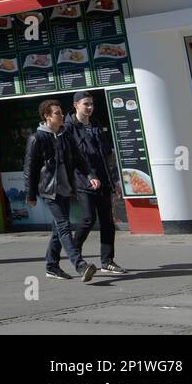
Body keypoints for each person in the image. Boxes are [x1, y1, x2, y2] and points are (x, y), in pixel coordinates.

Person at [24, 100, 99, 282]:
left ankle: (52, 266)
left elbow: (79, 158)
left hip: (65, 187)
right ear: (47, 116)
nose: (61, 115)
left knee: (58, 230)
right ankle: (80, 265)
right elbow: (30, 168)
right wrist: (30, 194)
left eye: (61, 112)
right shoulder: (37, 138)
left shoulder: (65, 135)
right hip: (49, 190)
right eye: (57, 113)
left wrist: (90, 175)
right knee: (65, 226)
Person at [66, 92, 127, 274]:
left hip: (103, 178)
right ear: (76, 105)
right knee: (88, 218)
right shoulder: (69, 128)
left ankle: (107, 261)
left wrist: (112, 178)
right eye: (86, 104)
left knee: (108, 221)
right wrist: (89, 175)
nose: (90, 108)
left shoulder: (96, 125)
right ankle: (74, 253)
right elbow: (73, 158)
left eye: (92, 104)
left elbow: (105, 153)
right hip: (83, 179)